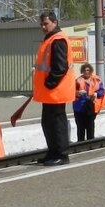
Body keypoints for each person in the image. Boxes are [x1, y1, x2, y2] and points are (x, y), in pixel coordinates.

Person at [33, 10, 74, 165]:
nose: (43, 27)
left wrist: (50, 83)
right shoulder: (50, 39)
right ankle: (52, 152)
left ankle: (61, 155)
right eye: (42, 24)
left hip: (56, 90)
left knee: (57, 123)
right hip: (50, 92)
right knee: (48, 123)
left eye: (46, 23)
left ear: (55, 23)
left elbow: (60, 67)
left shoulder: (58, 40)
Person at [72, 62, 105, 142]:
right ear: (82, 71)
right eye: (85, 70)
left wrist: (96, 93)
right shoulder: (78, 81)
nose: (86, 72)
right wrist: (77, 93)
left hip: (91, 107)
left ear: (91, 71)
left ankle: (90, 143)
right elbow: (71, 92)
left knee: (90, 126)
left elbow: (102, 91)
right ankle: (80, 144)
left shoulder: (96, 80)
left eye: (88, 70)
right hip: (79, 108)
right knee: (80, 127)